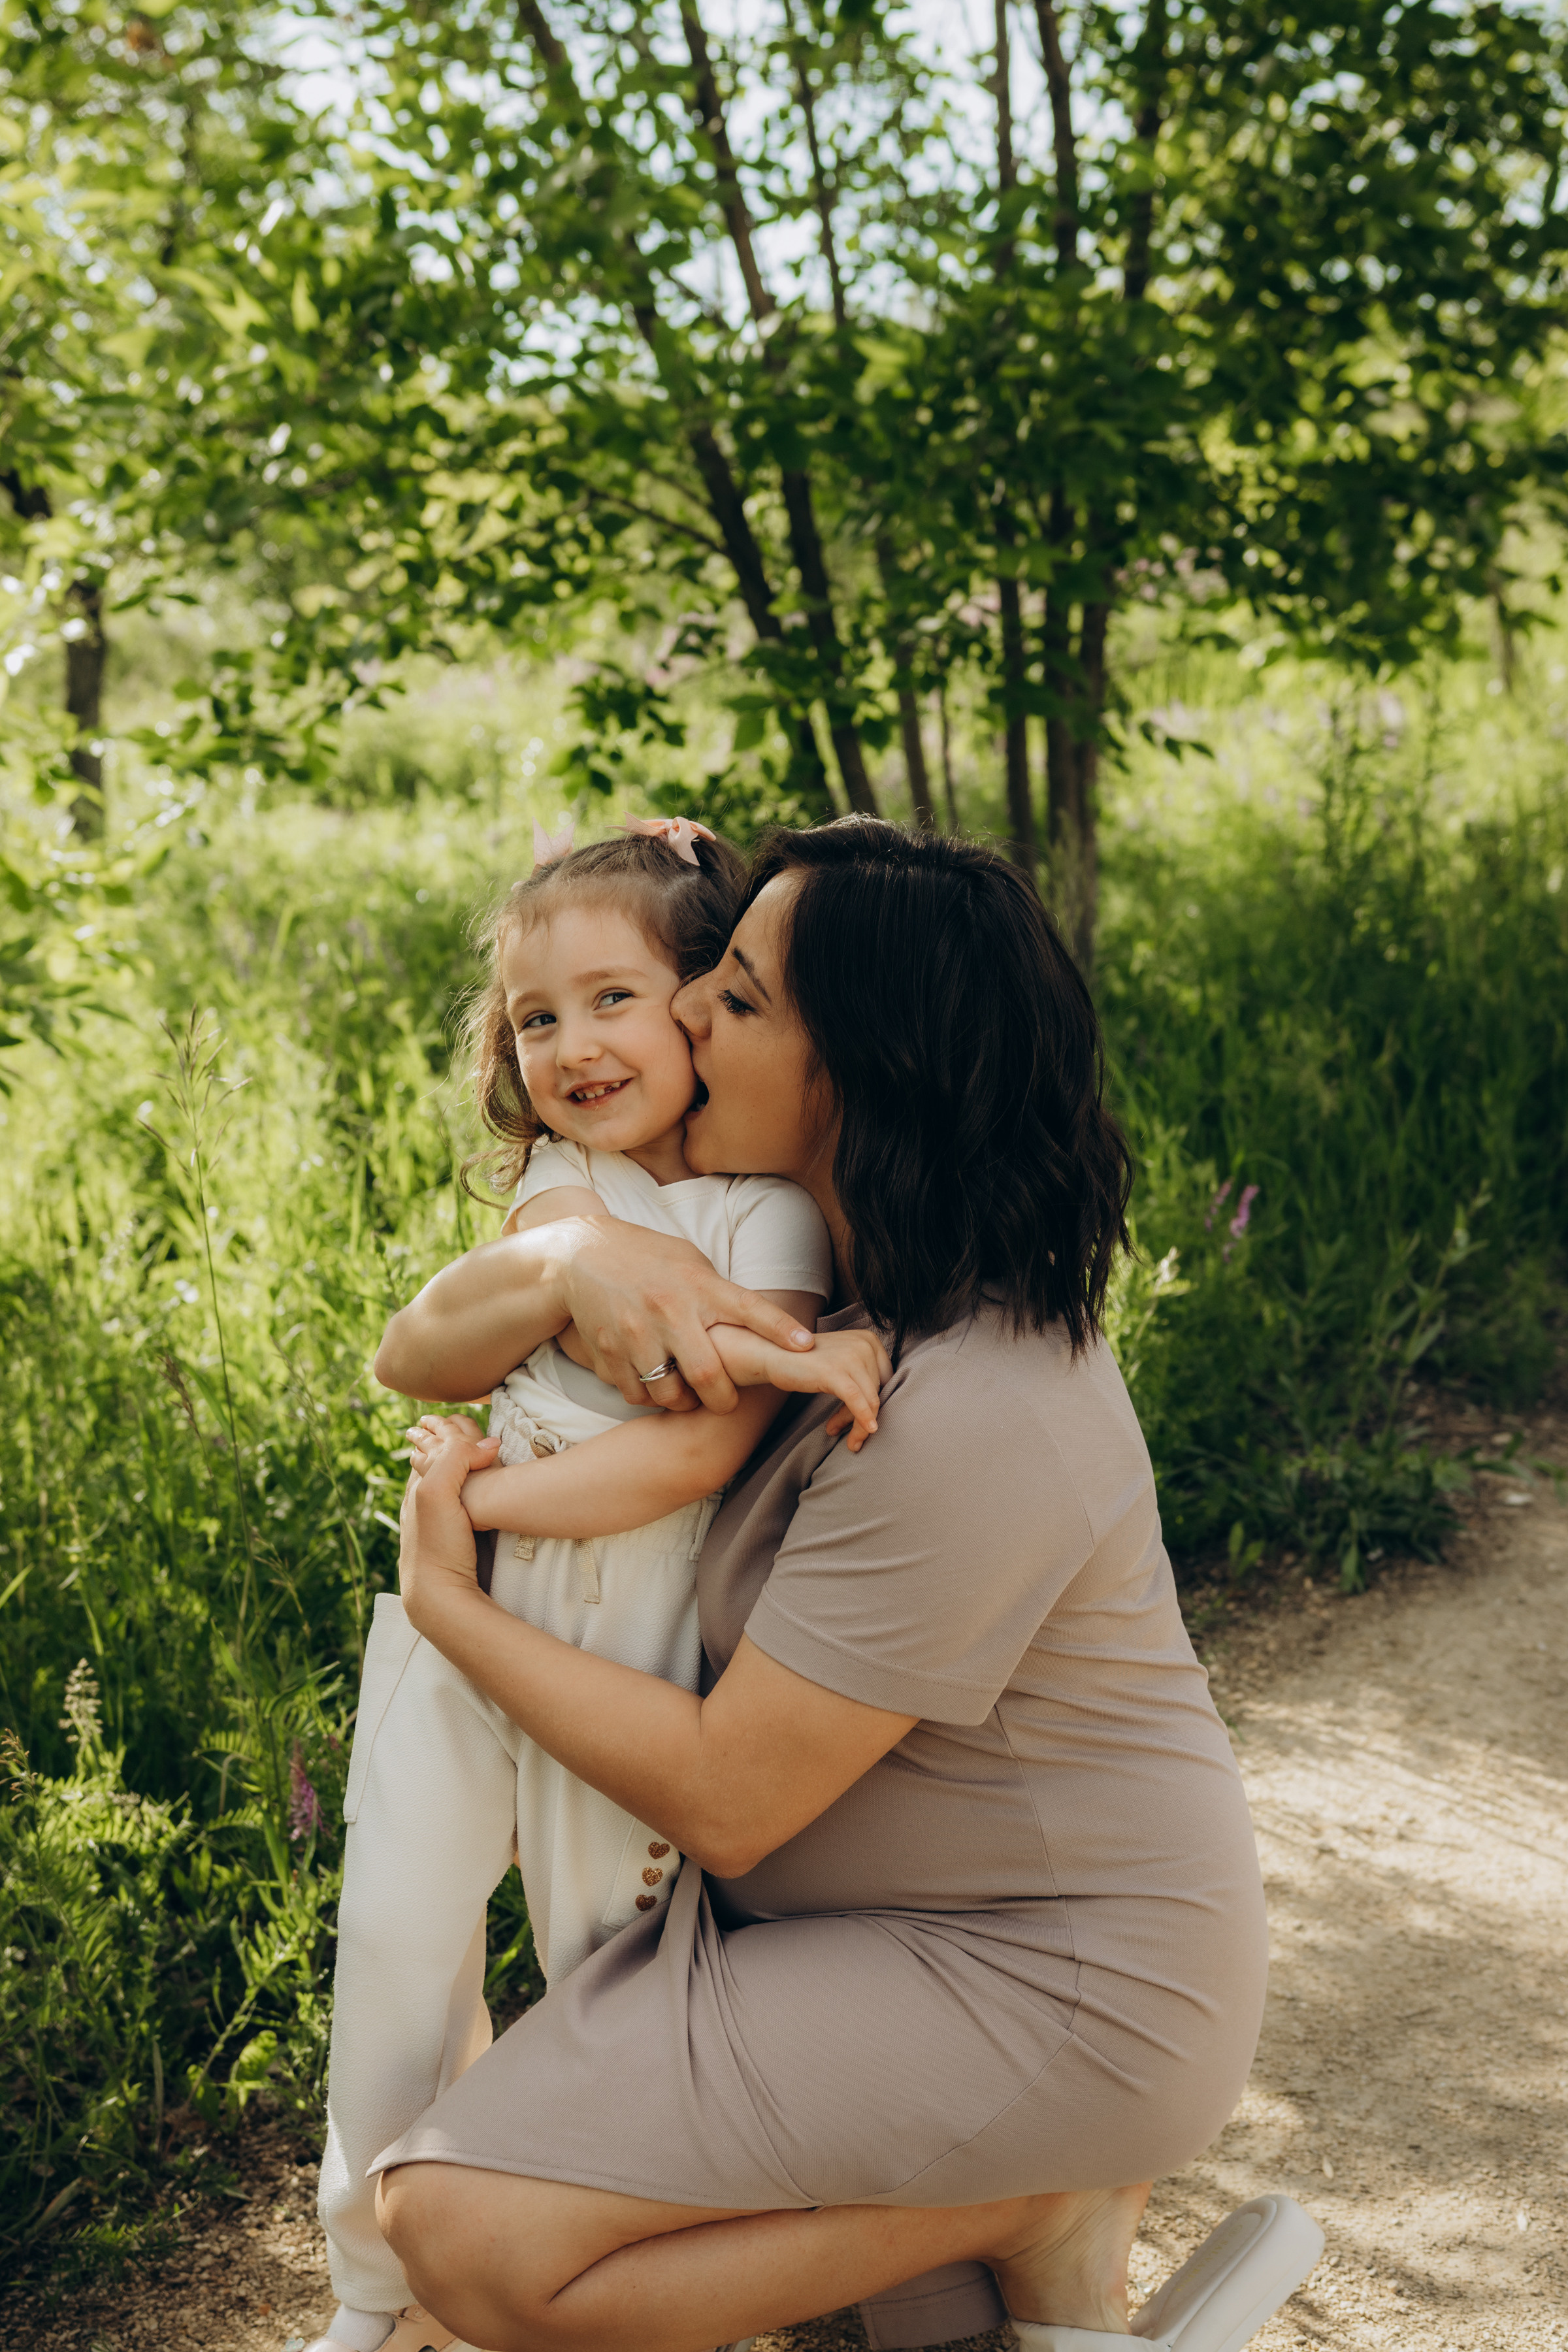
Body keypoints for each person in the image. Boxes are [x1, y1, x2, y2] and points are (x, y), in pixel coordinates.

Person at [368, 820, 1284, 2352]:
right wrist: (568, 1252)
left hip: (1054, 1981)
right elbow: (411, 1346)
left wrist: (449, 1604)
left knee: (460, 2240)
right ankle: (988, 2240)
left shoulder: (975, 1405)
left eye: (734, 999)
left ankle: (1036, 2199)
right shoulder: (842, 1310)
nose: (680, 1025)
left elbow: (728, 1797)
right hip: (851, 1941)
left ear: (861, 1062)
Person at [312, 821, 889, 2352]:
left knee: (600, 1966)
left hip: (616, 1644)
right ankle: (371, 2289)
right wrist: (469, 1514)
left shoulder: (774, 1214)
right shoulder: (557, 1190)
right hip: (457, 1634)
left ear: (704, 1006)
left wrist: (471, 1506)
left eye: (615, 999)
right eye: (536, 1017)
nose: (572, 1044)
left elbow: (686, 1466)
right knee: (391, 1944)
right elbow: (422, 1354)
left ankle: (596, 2260)